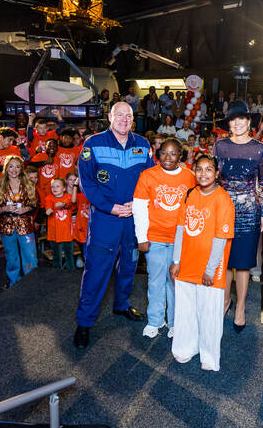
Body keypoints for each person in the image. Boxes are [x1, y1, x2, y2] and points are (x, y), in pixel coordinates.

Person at [73, 102, 155, 349]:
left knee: (129, 265)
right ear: (109, 117)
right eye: (119, 115)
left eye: (128, 116)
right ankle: (84, 323)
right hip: (105, 219)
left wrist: (138, 205)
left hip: (133, 219)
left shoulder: (142, 144)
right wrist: (110, 207)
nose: (123, 119)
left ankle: (121, 305)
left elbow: (150, 179)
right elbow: (87, 182)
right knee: (97, 271)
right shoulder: (93, 144)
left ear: (133, 119)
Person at [166, 154, 234, 371]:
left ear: (216, 173)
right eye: (199, 169)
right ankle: (185, 348)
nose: (203, 174)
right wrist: (176, 259)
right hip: (187, 264)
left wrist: (210, 269)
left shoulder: (223, 200)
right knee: (185, 310)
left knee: (209, 313)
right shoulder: (189, 195)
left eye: (208, 169)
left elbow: (220, 239)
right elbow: (180, 230)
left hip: (209, 269)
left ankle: (209, 355)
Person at [213, 99, 263, 332]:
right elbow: (212, 179)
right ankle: (225, 301)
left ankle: (241, 307)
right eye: (233, 119)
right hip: (221, 210)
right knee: (223, 261)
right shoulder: (220, 146)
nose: (237, 123)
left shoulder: (260, 149)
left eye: (241, 119)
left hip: (248, 213)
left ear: (248, 122)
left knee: (243, 265)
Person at [133, 138, 196, 339]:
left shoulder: (190, 176)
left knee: (176, 282)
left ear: (181, 156)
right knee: (155, 280)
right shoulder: (147, 175)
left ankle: (176, 322)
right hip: (155, 237)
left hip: (181, 239)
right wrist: (141, 237)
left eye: (173, 154)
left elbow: (196, 207)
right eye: (164, 153)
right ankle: (155, 320)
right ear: (158, 154)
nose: (168, 158)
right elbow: (139, 207)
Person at [0, 156, 37, 289]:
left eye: (17, 166)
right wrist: (4, 208)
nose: (14, 170)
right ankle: (14, 283)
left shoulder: (29, 184)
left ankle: (32, 283)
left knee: (30, 256)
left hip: (25, 225)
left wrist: (26, 209)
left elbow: (35, 203)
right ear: (6, 168)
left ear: (21, 168)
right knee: (12, 257)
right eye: (11, 166)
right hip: (6, 227)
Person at [45, 178, 77, 270]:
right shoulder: (49, 198)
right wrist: (48, 210)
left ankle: (71, 275)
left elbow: (69, 204)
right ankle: (56, 277)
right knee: (56, 258)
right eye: (52, 186)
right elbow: (48, 206)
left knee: (69, 256)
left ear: (64, 188)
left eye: (57, 186)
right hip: (54, 234)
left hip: (67, 234)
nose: (54, 188)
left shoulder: (68, 196)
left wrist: (62, 204)